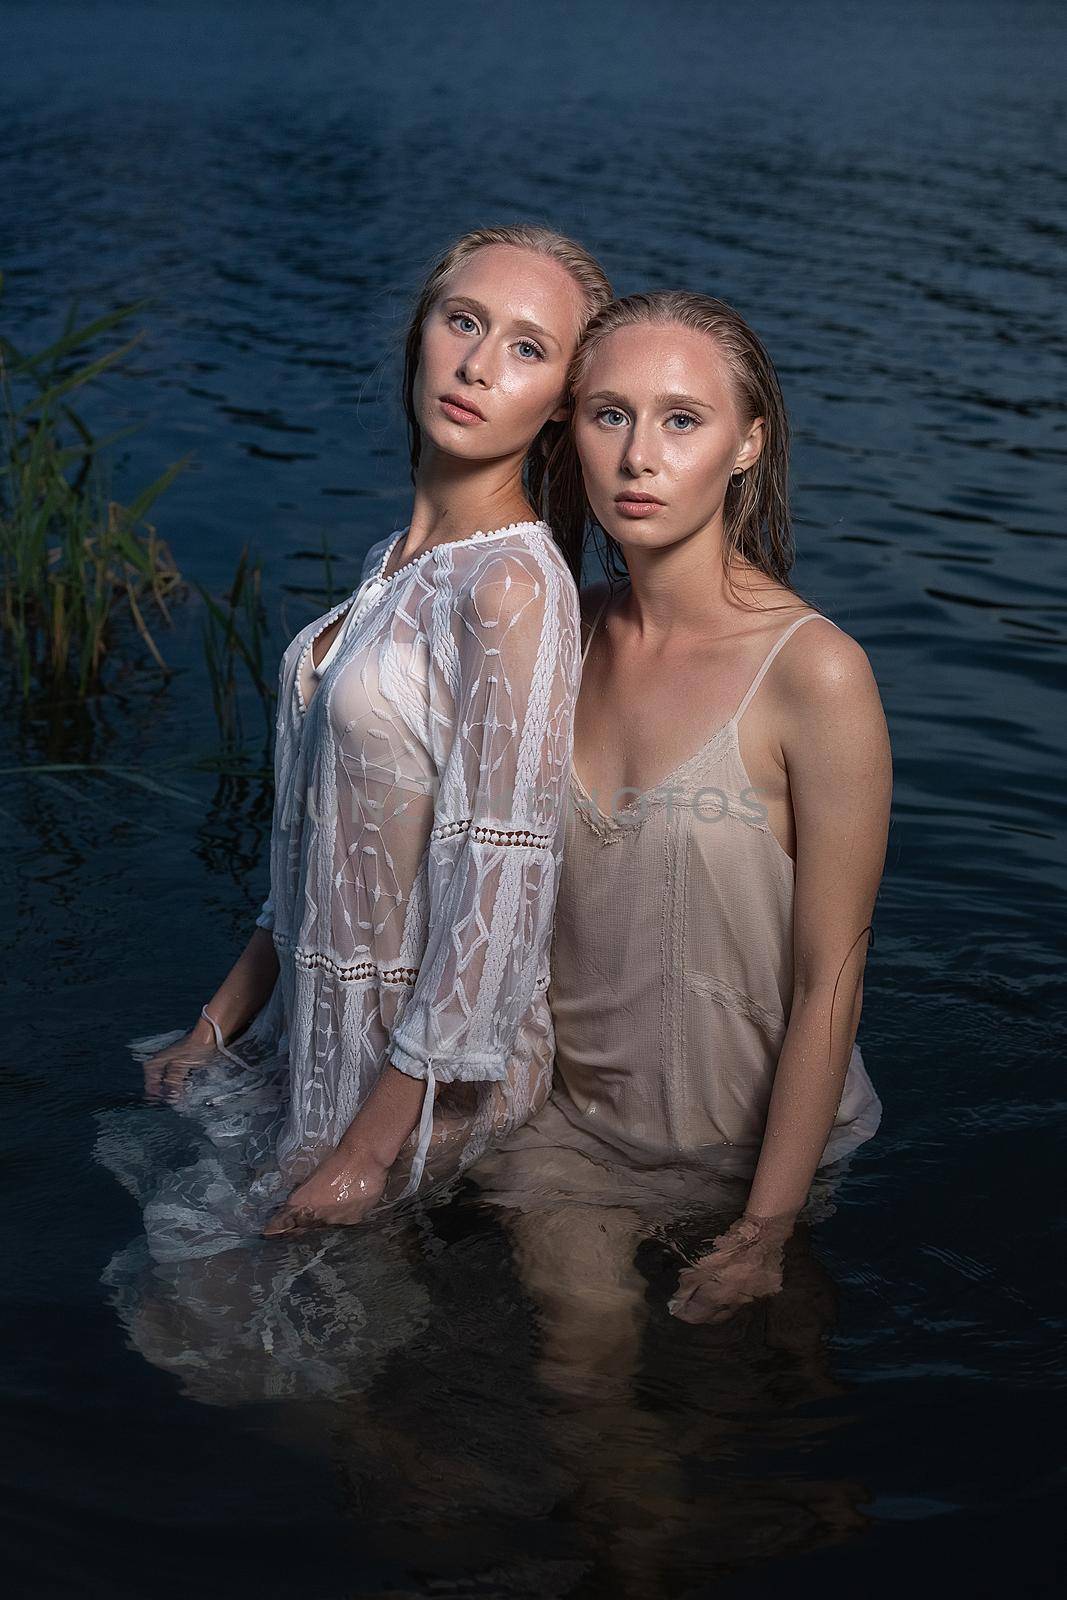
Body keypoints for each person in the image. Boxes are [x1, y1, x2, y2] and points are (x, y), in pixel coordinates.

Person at [128, 225, 614, 1253]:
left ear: (562, 404)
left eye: (527, 348)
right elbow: (322, 846)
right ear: (421, 336)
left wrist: (369, 1149)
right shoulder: (392, 558)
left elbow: (500, 887)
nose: (479, 365)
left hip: (418, 1075)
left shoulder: (513, 584)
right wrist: (214, 1026)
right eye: (463, 321)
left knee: (245, 1337)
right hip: (320, 1027)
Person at [468, 291, 892, 1336]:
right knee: (583, 1383)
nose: (636, 457)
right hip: (571, 1136)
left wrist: (765, 1225)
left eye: (680, 419)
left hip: (760, 1146)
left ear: (746, 443)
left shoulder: (815, 674)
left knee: (783, 1405)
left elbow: (825, 981)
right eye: (607, 415)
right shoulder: (549, 642)